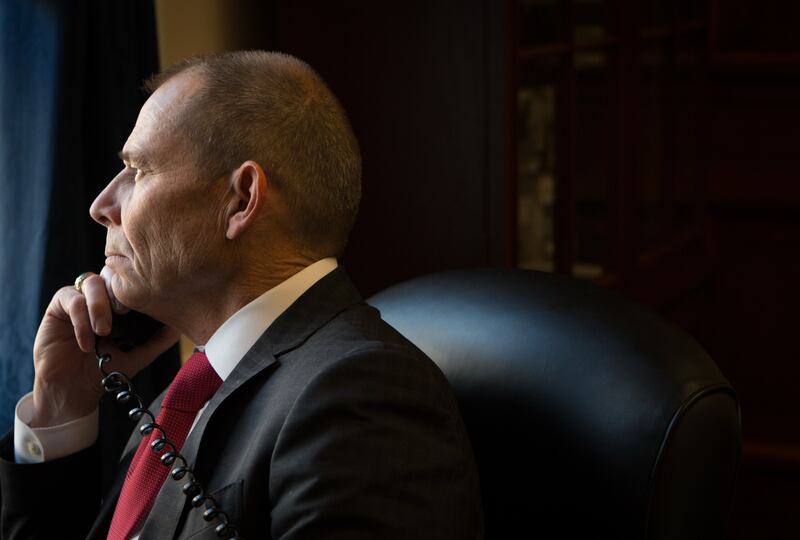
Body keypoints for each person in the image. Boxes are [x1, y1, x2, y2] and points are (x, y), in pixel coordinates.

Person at [0, 51, 483, 539]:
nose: (101, 205)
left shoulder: (365, 393)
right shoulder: (193, 389)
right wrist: (62, 406)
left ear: (241, 199)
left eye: (138, 170)